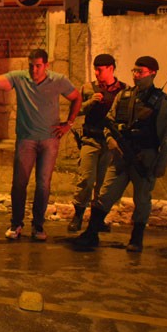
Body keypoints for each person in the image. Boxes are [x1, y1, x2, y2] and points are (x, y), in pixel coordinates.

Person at [0, 49, 82, 241]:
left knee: (43, 184)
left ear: (46, 65)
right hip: (26, 139)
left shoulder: (58, 80)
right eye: (31, 65)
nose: (34, 70)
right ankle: (16, 224)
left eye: (38, 66)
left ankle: (38, 226)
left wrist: (69, 124)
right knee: (19, 183)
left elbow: (76, 97)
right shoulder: (20, 78)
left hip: (50, 140)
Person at [74, 56, 167, 252]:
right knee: (106, 194)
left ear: (152, 73)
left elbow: (166, 136)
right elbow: (109, 122)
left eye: (141, 72)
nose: (136, 76)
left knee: (142, 198)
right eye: (134, 71)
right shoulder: (124, 96)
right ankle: (92, 232)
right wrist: (110, 141)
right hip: (120, 155)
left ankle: (136, 238)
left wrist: (161, 163)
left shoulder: (161, 102)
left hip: (144, 157)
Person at [68, 54, 127, 232]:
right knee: (86, 178)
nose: (96, 73)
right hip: (91, 140)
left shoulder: (123, 90)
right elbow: (76, 111)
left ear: (111, 69)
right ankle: (78, 215)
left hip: (111, 144)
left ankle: (96, 220)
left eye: (100, 69)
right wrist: (89, 102)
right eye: (95, 69)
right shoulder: (89, 88)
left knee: (103, 185)